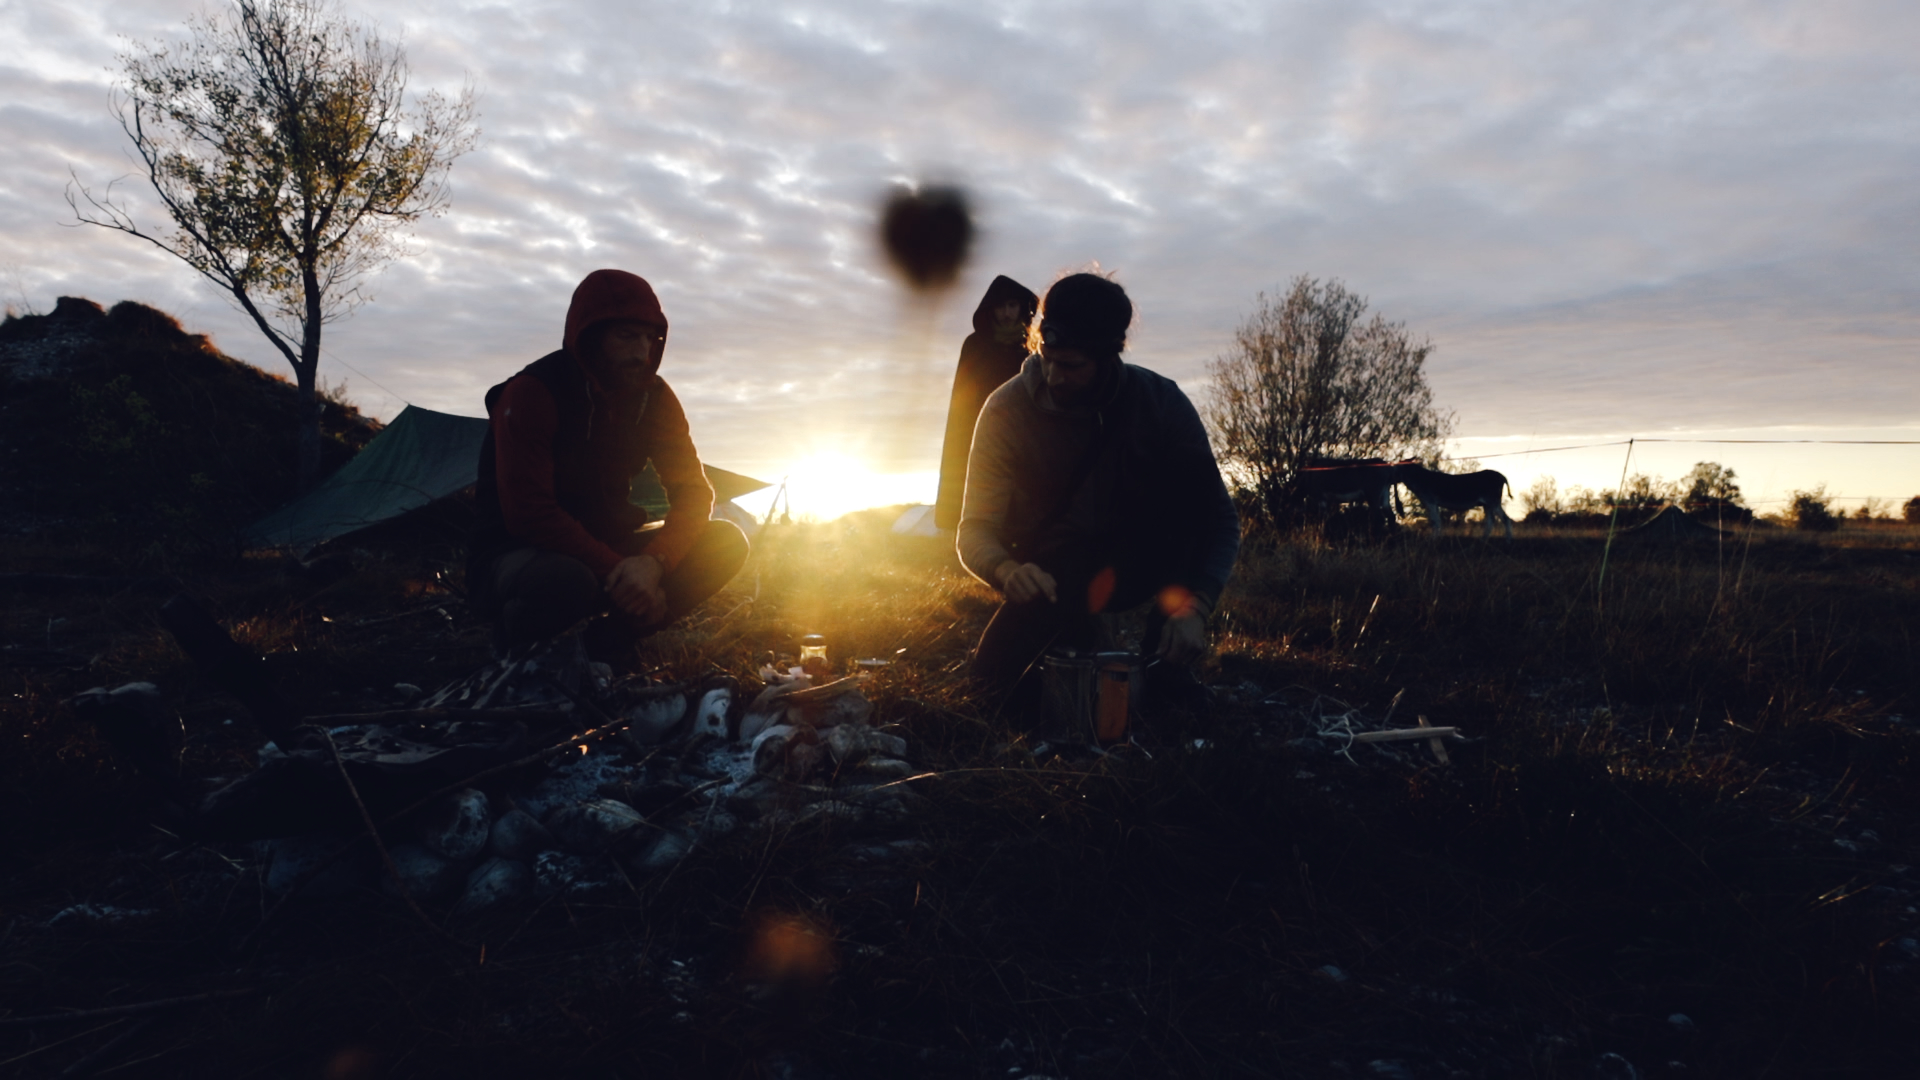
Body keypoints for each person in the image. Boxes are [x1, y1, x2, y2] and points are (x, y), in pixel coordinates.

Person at [958, 272, 1240, 710]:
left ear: (1110, 355)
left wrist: (1196, 609)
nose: (1053, 377)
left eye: (1071, 365)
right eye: (1046, 357)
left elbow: (1218, 521)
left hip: (1146, 560)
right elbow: (973, 529)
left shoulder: (1160, 403)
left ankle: (1166, 670)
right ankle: (1076, 637)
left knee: (1184, 521)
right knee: (989, 693)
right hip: (1051, 574)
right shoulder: (1005, 411)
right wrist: (1006, 569)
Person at [468, 269, 749, 666]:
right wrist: (622, 571)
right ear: (590, 336)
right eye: (626, 336)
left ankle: (604, 645)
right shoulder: (533, 392)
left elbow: (695, 491)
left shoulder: (654, 398)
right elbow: (529, 514)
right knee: (566, 581)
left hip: (608, 544)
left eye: (650, 339)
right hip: (517, 553)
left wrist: (653, 563)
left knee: (725, 543)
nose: (642, 352)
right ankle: (519, 646)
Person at [934, 275, 1039, 531]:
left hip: (1021, 431)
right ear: (991, 309)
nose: (1006, 313)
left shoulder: (1031, 348)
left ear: (1021, 307)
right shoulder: (976, 345)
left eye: (1012, 306)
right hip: (978, 426)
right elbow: (965, 392)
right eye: (1000, 306)